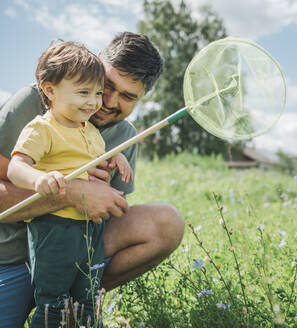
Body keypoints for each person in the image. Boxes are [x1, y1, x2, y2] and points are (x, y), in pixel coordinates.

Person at [0, 32, 184, 327]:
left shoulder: (125, 135)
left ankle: (78, 299)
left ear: (142, 99)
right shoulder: (33, 105)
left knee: (167, 221)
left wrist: (104, 195)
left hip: (74, 249)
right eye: (106, 86)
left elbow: (109, 211)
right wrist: (71, 192)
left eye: (128, 96)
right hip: (10, 255)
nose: (106, 102)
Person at [7, 41, 134, 327]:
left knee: (88, 298)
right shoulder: (42, 128)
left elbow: (97, 156)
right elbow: (17, 167)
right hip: (53, 228)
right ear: (50, 90)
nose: (94, 102)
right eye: (83, 92)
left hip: (89, 228)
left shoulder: (89, 129)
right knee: (53, 301)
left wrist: (117, 157)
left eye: (98, 93)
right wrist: (38, 179)